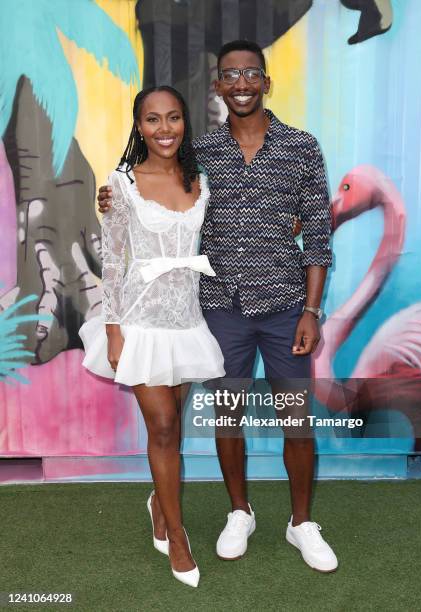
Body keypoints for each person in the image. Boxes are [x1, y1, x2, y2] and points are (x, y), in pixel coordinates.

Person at [98, 40, 338, 573]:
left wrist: (312, 311)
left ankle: (301, 524)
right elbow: (150, 196)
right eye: (230, 76)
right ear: (218, 87)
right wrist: (111, 195)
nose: (242, 84)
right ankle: (238, 512)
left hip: (285, 308)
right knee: (228, 416)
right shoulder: (198, 153)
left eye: (252, 73)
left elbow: (317, 236)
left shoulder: (302, 147)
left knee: (296, 420)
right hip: (218, 309)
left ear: (266, 82)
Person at [79, 85, 226, 588]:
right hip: (139, 323)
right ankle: (178, 535)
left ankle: (159, 505)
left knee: (173, 426)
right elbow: (114, 261)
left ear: (186, 122)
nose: (164, 129)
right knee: (162, 426)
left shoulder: (199, 179)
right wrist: (114, 328)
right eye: (152, 119)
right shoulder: (120, 184)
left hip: (185, 323)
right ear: (138, 125)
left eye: (174, 118)